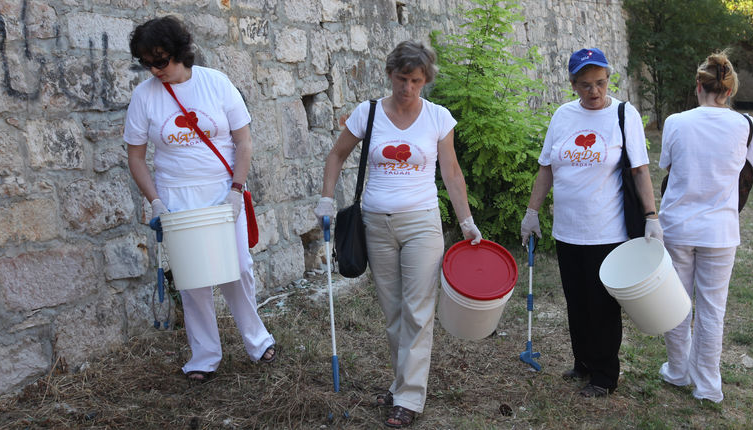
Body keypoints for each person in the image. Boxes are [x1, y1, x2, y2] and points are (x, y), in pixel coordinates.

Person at [315, 40, 482, 428]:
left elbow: (451, 172)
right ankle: (400, 384)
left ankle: (409, 396)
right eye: (402, 78)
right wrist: (326, 199)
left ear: (426, 81)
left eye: (417, 80)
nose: (408, 88)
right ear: (390, 74)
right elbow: (337, 154)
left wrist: (466, 221)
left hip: (422, 223)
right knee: (393, 312)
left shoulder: (438, 117)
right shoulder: (368, 113)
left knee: (418, 311)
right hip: (376, 223)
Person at [123, 16, 276, 382]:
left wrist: (236, 190)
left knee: (238, 269)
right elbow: (136, 157)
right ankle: (204, 357)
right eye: (147, 62)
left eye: (161, 60)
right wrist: (156, 202)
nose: (155, 69)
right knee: (193, 280)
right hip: (176, 196)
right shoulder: (144, 96)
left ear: (180, 52)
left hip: (223, 191)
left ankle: (257, 341)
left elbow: (244, 142)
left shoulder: (215, 83)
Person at [520, 48, 663, 397]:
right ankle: (582, 362)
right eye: (585, 85)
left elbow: (639, 169)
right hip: (568, 229)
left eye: (600, 83)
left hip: (607, 229)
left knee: (602, 306)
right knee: (577, 301)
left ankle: (604, 374)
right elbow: (546, 167)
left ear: (608, 80)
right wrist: (532, 212)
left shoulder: (623, 114)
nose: (594, 92)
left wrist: (651, 217)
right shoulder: (563, 116)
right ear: (572, 85)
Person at [657, 51, 753, 403]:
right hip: (721, 230)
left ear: (698, 85)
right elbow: (747, 171)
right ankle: (708, 385)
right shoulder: (745, 124)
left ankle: (677, 370)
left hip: (678, 226)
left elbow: (666, 167)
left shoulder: (675, 122)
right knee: (713, 308)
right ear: (728, 91)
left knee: (676, 303)